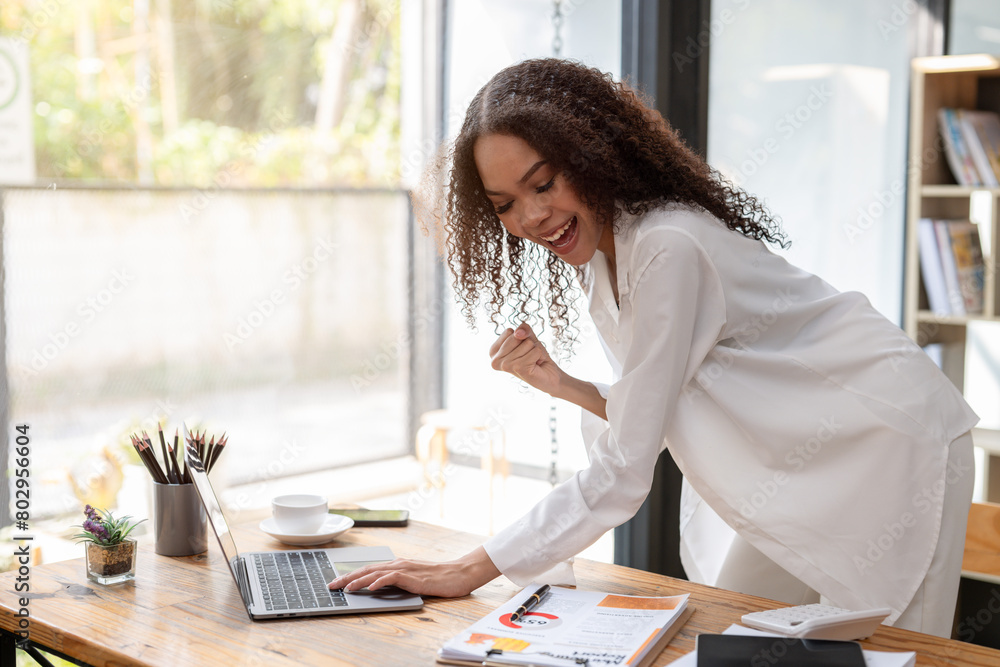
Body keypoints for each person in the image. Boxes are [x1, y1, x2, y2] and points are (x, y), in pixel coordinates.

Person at [329, 58, 979, 637]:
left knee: (898, 653)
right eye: (505, 203)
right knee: (748, 636)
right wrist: (563, 383)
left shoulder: (667, 244)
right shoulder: (604, 258)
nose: (530, 218)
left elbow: (624, 469)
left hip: (894, 438)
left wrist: (466, 568)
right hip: (803, 465)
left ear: (590, 152)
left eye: (543, 183)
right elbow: (654, 410)